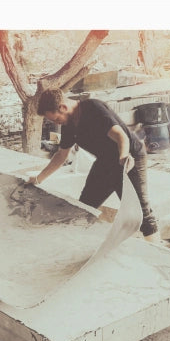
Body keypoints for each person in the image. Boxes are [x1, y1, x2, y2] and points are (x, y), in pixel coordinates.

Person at [28, 88, 160, 241]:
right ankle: (75, 244)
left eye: (57, 119)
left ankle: (157, 250)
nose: (57, 123)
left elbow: (120, 136)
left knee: (140, 211)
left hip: (129, 157)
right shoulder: (69, 125)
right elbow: (61, 155)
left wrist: (124, 157)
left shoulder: (93, 109)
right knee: (85, 206)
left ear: (63, 107)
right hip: (105, 161)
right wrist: (38, 179)